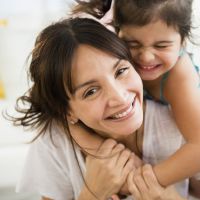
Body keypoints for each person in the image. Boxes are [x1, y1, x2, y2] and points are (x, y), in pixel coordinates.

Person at [11, 17, 194, 200]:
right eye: (91, 91)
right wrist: (92, 193)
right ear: (67, 111)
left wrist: (168, 196)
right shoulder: (55, 143)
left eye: (121, 71)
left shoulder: (180, 123)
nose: (119, 98)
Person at [72, 0, 200, 189]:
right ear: (116, 33)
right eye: (132, 43)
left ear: (183, 41)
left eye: (162, 46)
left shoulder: (178, 75)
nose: (146, 56)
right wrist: (98, 149)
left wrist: (140, 181)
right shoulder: (108, 54)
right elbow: (62, 112)